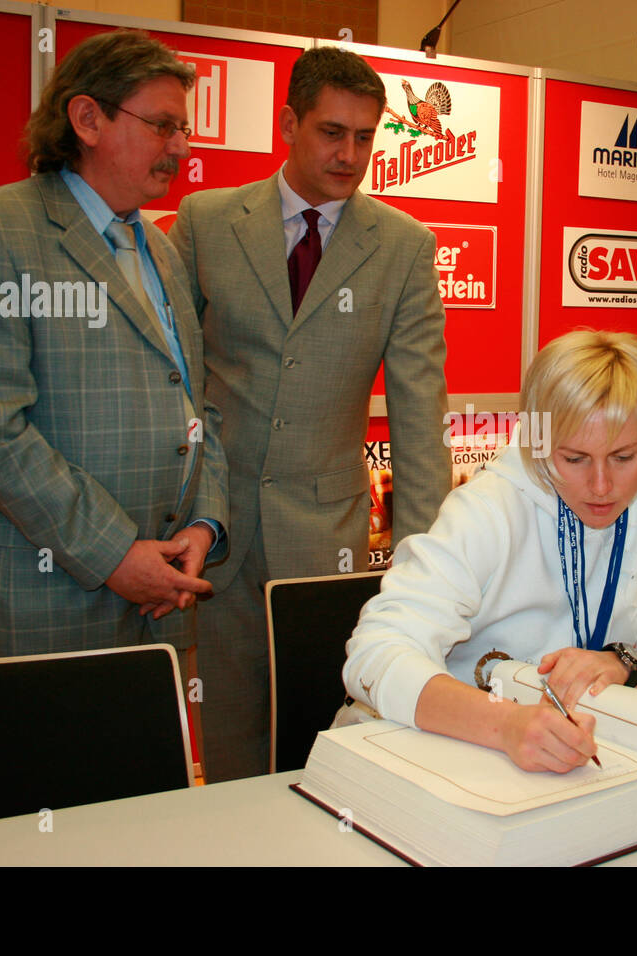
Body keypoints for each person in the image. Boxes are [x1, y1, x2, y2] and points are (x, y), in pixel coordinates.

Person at [170, 47, 450, 782]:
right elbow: (171, 383)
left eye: (365, 136)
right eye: (332, 132)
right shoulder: (203, 222)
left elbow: (420, 416)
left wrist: (425, 571)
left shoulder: (402, 248)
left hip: (327, 547)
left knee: (320, 751)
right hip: (214, 535)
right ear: (288, 122)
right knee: (229, 746)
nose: (350, 154)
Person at [0, 30, 229, 661]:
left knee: (149, 763)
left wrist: (203, 525)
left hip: (163, 596)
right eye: (161, 125)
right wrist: (114, 553)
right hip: (40, 601)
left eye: (183, 130)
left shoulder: (164, 251)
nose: (179, 148)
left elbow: (195, 408)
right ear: (87, 119)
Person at [345, 331, 637, 773]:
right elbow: (373, 655)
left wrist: (628, 666)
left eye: (624, 457)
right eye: (575, 459)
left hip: (580, 765)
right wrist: (504, 725)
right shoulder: (490, 509)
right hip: (454, 756)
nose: (602, 486)